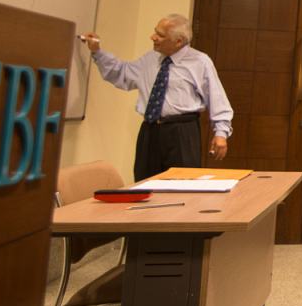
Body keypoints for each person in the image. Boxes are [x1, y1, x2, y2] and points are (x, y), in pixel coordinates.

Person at [83, 14, 233, 181]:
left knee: (183, 186)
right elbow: (122, 73)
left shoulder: (200, 61)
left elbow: (216, 97)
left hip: (182, 132)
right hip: (150, 131)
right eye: (155, 32)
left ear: (179, 41)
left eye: (161, 35)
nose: (153, 37)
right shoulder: (150, 58)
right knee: (145, 184)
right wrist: (97, 52)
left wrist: (220, 132)